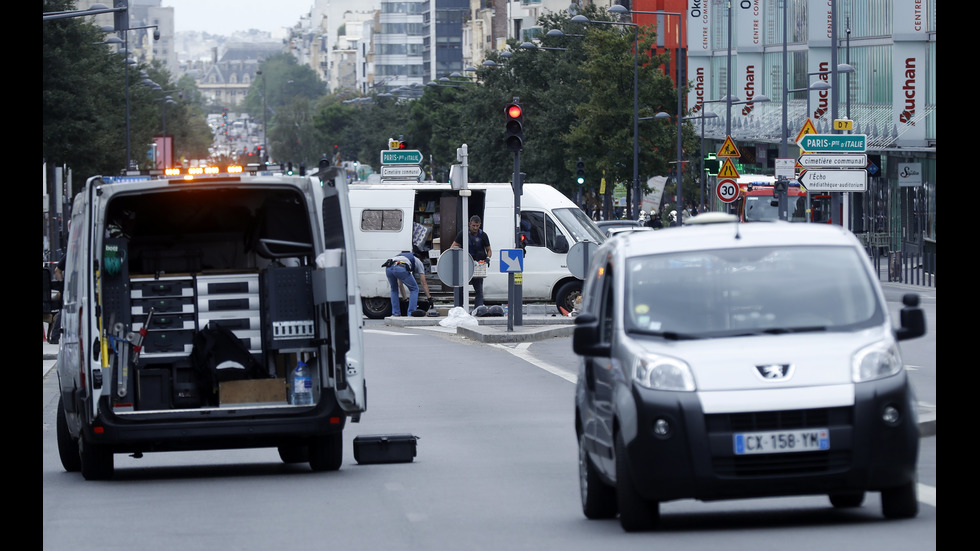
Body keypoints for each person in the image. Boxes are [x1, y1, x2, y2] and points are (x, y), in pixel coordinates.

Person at [451, 215, 492, 308]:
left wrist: (488, 258)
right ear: (470, 224)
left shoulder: (483, 235)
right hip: (464, 264)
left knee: (478, 290)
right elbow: (453, 247)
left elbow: (489, 250)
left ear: (480, 225)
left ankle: (478, 310)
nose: (475, 228)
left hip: (478, 265)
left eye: (477, 226)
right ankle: (459, 309)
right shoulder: (462, 234)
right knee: (460, 289)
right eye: (473, 225)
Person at [384, 251, 431, 317]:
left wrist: (405, 299)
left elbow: (400, 284)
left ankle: (396, 313)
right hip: (400, 267)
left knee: (394, 289)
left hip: (388, 267)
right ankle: (411, 313)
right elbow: (424, 283)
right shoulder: (418, 261)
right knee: (414, 289)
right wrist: (429, 298)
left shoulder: (402, 256)